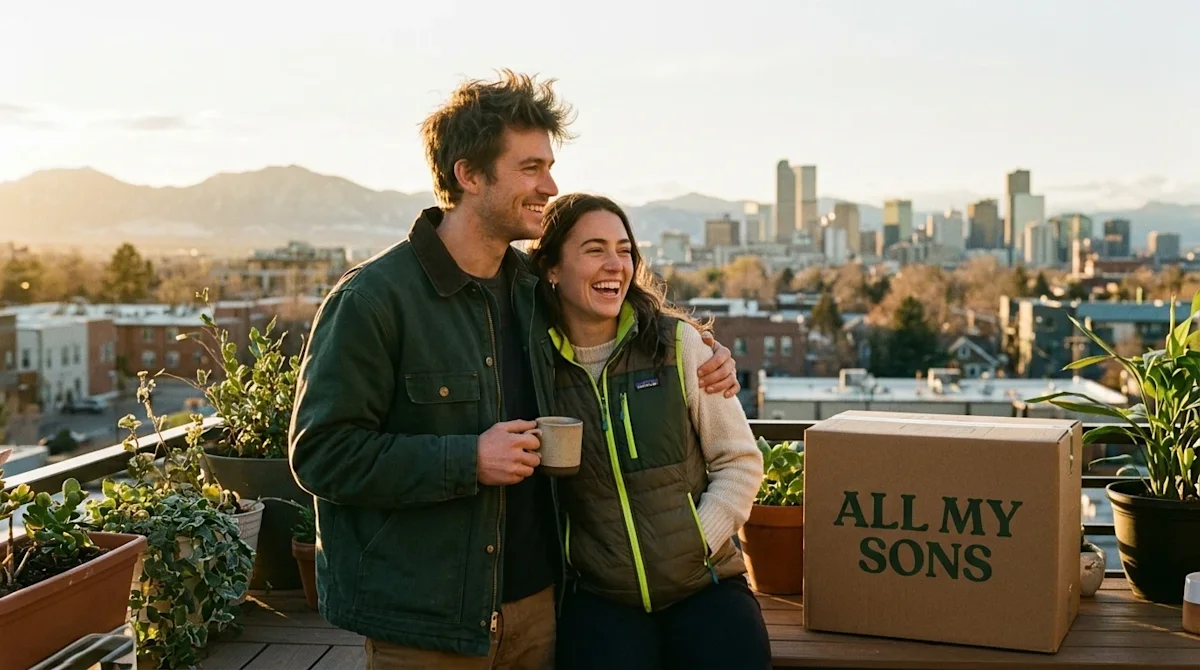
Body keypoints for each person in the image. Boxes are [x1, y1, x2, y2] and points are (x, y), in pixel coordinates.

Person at [286, 71, 742, 670]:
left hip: (541, 614)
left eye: (549, 167)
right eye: (530, 168)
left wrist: (700, 346)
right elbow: (321, 453)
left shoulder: (535, 291)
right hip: (427, 628)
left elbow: (619, 310)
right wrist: (468, 459)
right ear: (469, 175)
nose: (550, 186)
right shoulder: (374, 301)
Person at [527, 193, 772, 670]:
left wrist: (698, 539)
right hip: (600, 596)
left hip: (706, 583)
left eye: (624, 250)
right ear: (552, 268)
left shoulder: (677, 345)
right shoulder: (536, 367)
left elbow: (739, 460)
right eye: (594, 249)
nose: (615, 264)